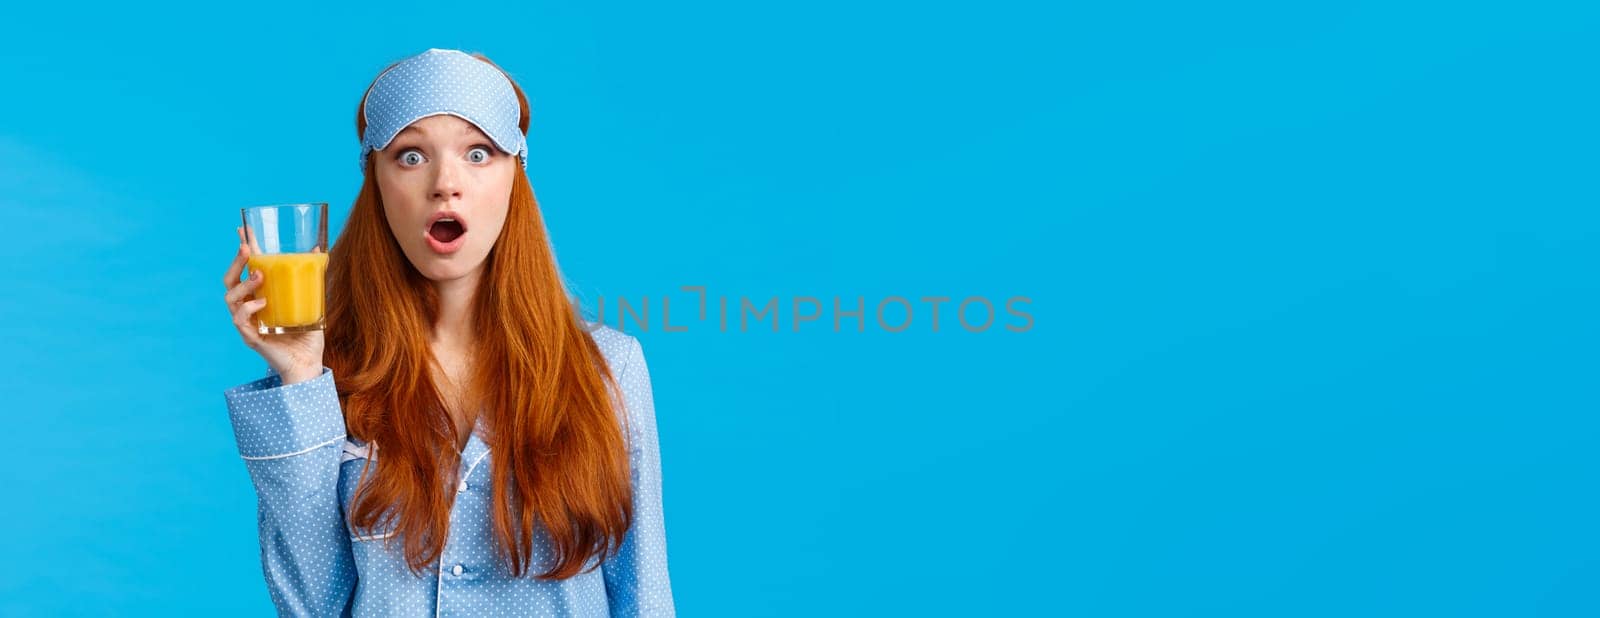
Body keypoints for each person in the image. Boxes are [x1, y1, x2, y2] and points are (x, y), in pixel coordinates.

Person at [218, 48, 675, 616]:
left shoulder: (610, 366)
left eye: (478, 153)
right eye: (410, 156)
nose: (445, 183)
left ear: (515, 175)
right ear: (377, 184)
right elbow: (311, 603)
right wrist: (299, 375)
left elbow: (644, 593)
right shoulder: (325, 378)